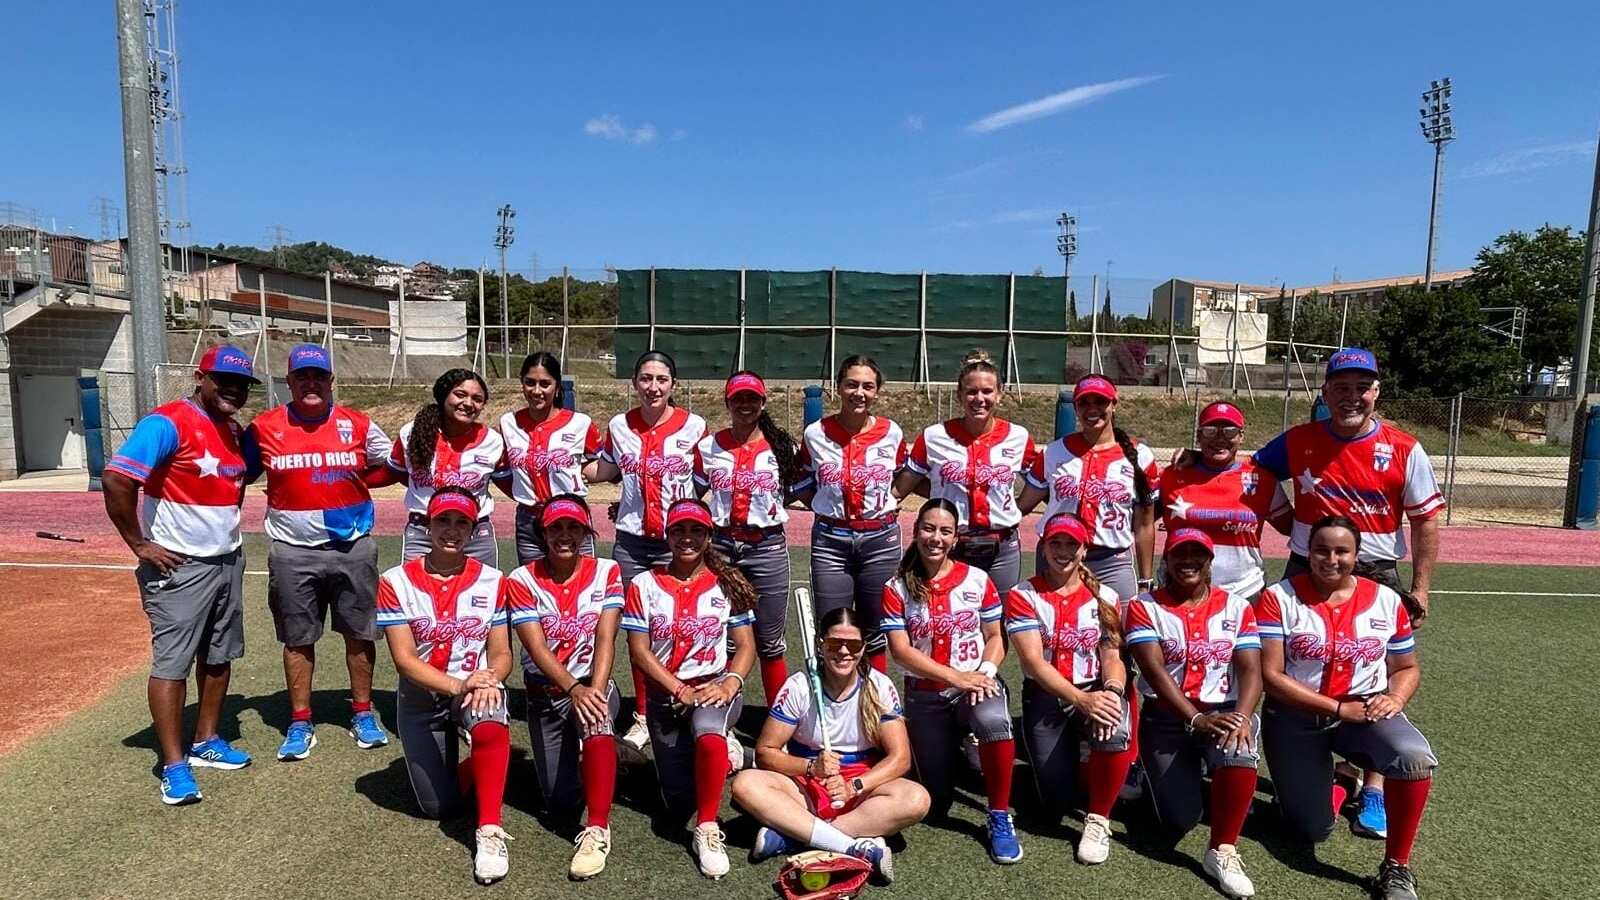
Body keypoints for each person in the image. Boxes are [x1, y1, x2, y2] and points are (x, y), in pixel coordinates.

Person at [1249, 348, 1443, 838]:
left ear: (1376, 391)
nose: (1352, 396)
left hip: (1376, 569)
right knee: (1301, 663)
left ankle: (1374, 787)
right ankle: (1315, 758)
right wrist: (1286, 522)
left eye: (1362, 387)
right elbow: (1254, 473)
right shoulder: (1298, 441)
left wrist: (1420, 586)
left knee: (1379, 669)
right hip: (1308, 561)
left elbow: (1424, 520)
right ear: (1326, 393)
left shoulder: (1404, 448)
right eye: (1341, 387)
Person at [103, 345, 257, 805]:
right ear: (199, 377)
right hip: (179, 565)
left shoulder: (232, 429)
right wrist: (140, 544)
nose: (232, 390)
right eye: (222, 380)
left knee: (219, 655)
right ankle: (173, 764)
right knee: (173, 663)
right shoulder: (166, 421)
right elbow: (117, 479)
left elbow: (234, 488)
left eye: (241, 384)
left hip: (226, 558)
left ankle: (206, 740)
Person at [1257, 515, 1436, 900]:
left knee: (1413, 757)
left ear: (1356, 555)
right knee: (1311, 830)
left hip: (1364, 713)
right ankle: (1342, 781)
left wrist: (1396, 699)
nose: (1331, 558)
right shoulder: (1278, 597)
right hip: (1295, 716)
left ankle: (1397, 868)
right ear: (1308, 551)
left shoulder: (1386, 600)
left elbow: (1406, 667)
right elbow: (1270, 676)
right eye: (1322, 550)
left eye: (1342, 551)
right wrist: (1338, 709)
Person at [243, 344, 394, 761]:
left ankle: (362, 713)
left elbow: (391, 466)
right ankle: (299, 721)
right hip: (292, 552)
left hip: (353, 547)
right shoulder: (263, 428)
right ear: (289, 382)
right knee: (297, 638)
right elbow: (238, 472)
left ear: (331, 381)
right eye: (302, 376)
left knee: (359, 633)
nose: (311, 383)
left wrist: (358, 485)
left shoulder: (359, 424)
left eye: (319, 376)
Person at [376, 487, 515, 885]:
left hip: (473, 689)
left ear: (473, 529)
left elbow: (501, 653)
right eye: (443, 521)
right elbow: (404, 660)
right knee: (438, 807)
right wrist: (460, 684)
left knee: (489, 715)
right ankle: (472, 765)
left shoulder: (492, 580)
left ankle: (489, 830)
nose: (451, 530)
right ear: (427, 524)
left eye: (462, 522)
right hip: (423, 696)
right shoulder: (395, 580)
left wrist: (490, 678)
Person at [732, 607, 927, 885]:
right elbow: (765, 753)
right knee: (745, 784)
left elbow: (900, 759)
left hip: (862, 788)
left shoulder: (879, 686)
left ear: (863, 648)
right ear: (820, 645)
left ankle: (794, 836)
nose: (844, 652)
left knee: (916, 799)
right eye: (835, 643)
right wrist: (811, 767)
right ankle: (853, 847)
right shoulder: (799, 687)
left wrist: (854, 786)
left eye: (854, 644)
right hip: (806, 784)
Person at [621, 499, 757, 879]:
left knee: (708, 735)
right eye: (679, 530)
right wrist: (678, 689)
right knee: (678, 801)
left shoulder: (725, 583)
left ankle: (708, 827)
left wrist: (731, 681)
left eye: (696, 530)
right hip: (668, 696)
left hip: (713, 689)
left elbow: (746, 646)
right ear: (667, 535)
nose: (687, 538)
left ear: (709, 536)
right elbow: (639, 651)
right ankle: (734, 756)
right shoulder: (644, 584)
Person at [1124, 528, 1263, 898]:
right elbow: (1153, 670)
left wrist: (1245, 716)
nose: (1188, 561)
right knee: (1179, 819)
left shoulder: (1237, 606)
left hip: (1222, 711)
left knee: (1240, 749)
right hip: (1166, 720)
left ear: (1210, 560)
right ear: (1166, 560)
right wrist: (1195, 719)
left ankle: (1223, 850)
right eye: (1179, 554)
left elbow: (1251, 669)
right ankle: (1157, 770)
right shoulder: (1144, 606)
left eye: (1197, 554)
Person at [881, 498, 1020, 864]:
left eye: (945, 531)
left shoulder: (978, 579)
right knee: (936, 800)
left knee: (993, 719)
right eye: (928, 529)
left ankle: (999, 814)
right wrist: (955, 676)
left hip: (972, 687)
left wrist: (984, 673)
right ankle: (960, 747)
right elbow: (901, 651)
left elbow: (995, 636)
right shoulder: (897, 587)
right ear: (915, 532)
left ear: (956, 538)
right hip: (925, 694)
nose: (935, 538)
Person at [585, 349, 708, 755]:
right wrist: (566, 463)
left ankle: (691, 706)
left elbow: (709, 477)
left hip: (679, 542)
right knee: (638, 628)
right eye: (645, 378)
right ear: (634, 383)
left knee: (681, 624)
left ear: (673, 385)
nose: (653, 387)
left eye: (661, 379)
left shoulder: (695, 426)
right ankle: (642, 714)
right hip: (633, 542)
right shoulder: (619, 426)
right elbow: (605, 469)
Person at [1003, 512, 1137, 866]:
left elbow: (1112, 655)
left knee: (1114, 725)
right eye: (1055, 543)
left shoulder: (1105, 594)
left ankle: (1098, 817)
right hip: (1047, 696)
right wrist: (1081, 700)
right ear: (1043, 547)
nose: (1063, 551)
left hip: (1093, 687)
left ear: (1084, 549)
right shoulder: (1023, 594)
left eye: (1071, 544)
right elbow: (1033, 662)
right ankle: (1080, 758)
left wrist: (1111, 692)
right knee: (1055, 802)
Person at [506, 495, 623, 880]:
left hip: (592, 685)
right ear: (543, 532)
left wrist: (595, 690)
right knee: (559, 802)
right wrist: (573, 687)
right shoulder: (521, 579)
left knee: (596, 720)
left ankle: (598, 829)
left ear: (586, 531)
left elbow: (606, 638)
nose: (565, 535)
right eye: (556, 527)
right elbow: (535, 646)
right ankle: (610, 755)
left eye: (573, 527)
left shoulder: (606, 570)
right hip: (547, 694)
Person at [694, 370, 805, 706]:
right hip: (723, 547)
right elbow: (692, 492)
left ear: (763, 401)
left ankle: (777, 719)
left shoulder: (783, 446)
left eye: (751, 398)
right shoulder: (709, 446)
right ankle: (724, 715)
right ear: (727, 402)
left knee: (770, 642)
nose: (745, 404)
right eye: (738, 398)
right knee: (725, 638)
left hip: (767, 547)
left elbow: (796, 492)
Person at [795, 355, 907, 674]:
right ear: (838, 387)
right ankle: (834, 705)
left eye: (868, 386)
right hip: (831, 541)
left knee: (876, 629)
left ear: (877, 392)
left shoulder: (892, 432)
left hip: (880, 541)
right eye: (852, 384)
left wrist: (894, 496)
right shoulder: (816, 433)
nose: (859, 392)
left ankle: (876, 704)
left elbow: (904, 472)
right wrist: (818, 502)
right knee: (833, 629)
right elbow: (801, 476)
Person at [896, 349, 1037, 598]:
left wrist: (1016, 509)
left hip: (1001, 548)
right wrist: (939, 495)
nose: (979, 398)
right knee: (946, 615)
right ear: (960, 395)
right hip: (951, 545)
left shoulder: (1018, 437)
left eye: (987, 391)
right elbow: (908, 482)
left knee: (998, 621)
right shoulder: (934, 436)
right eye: (971, 392)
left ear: (1000, 394)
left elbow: (1039, 483)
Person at [1018, 374, 1158, 602]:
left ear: (1114, 404)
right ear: (1075, 407)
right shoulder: (1054, 452)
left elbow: (1144, 525)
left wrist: (1145, 580)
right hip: (1057, 558)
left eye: (1100, 401)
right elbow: (1022, 505)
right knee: (1055, 631)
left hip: (1112, 562)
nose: (1092, 409)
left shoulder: (1140, 456)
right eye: (1084, 402)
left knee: (1119, 633)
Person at [1156, 400, 1292, 600]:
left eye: (1229, 431)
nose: (1220, 438)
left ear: (1241, 436)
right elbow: (1141, 523)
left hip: (1245, 592)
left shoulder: (1262, 480)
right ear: (1199, 436)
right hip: (1179, 590)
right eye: (1211, 430)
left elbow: (1290, 527)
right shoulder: (1172, 476)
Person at [387, 368, 506, 564]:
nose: (468, 403)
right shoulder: (411, 433)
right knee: (417, 594)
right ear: (443, 396)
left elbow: (508, 481)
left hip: (475, 535)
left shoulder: (493, 441)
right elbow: (395, 474)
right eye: (460, 394)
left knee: (481, 593)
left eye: (477, 399)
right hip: (423, 533)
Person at [499, 351, 602, 565]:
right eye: (530, 383)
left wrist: (578, 473)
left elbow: (602, 463)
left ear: (556, 387)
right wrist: (519, 491)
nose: (537, 391)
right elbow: (500, 469)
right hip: (529, 520)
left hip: (571, 518)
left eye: (545, 384)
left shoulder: (580, 423)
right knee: (533, 589)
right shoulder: (508, 423)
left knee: (580, 586)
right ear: (522, 384)